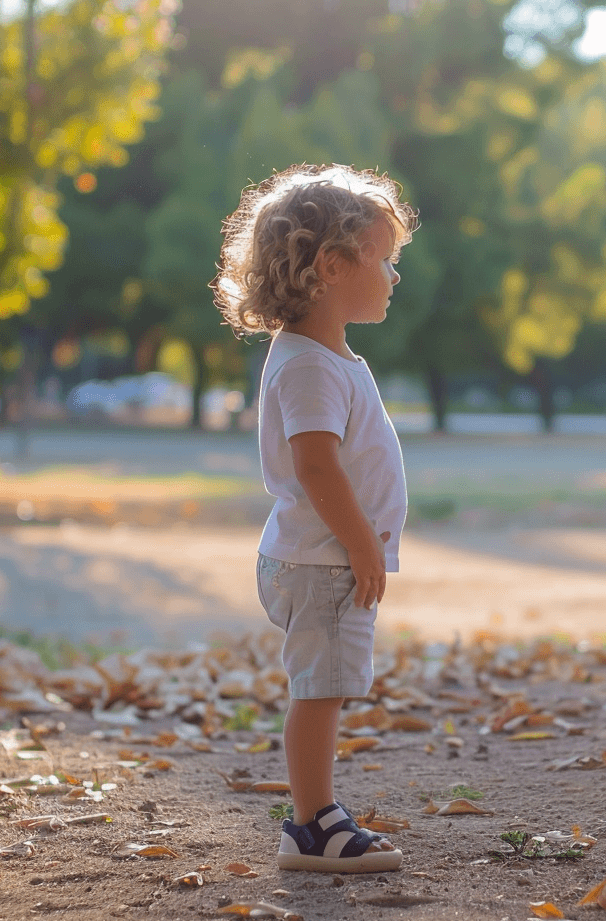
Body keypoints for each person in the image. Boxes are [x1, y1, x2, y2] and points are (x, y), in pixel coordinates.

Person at [213, 163, 417, 873]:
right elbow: (317, 467)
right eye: (384, 260)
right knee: (319, 691)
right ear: (332, 266)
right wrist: (362, 544)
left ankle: (316, 815)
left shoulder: (323, 356)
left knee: (323, 687)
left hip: (322, 556)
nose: (394, 275)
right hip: (324, 559)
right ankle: (312, 826)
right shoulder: (308, 366)